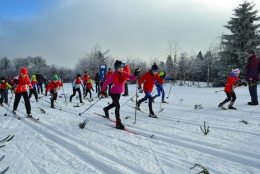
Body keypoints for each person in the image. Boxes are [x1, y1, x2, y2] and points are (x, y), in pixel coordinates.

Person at [101, 60, 140, 129]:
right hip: (113, 92)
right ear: (116, 68)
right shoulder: (113, 76)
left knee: (114, 104)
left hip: (119, 93)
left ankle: (106, 109)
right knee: (117, 105)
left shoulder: (124, 73)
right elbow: (105, 83)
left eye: (122, 67)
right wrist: (103, 91)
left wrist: (135, 74)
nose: (121, 68)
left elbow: (132, 78)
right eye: (119, 67)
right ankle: (118, 122)